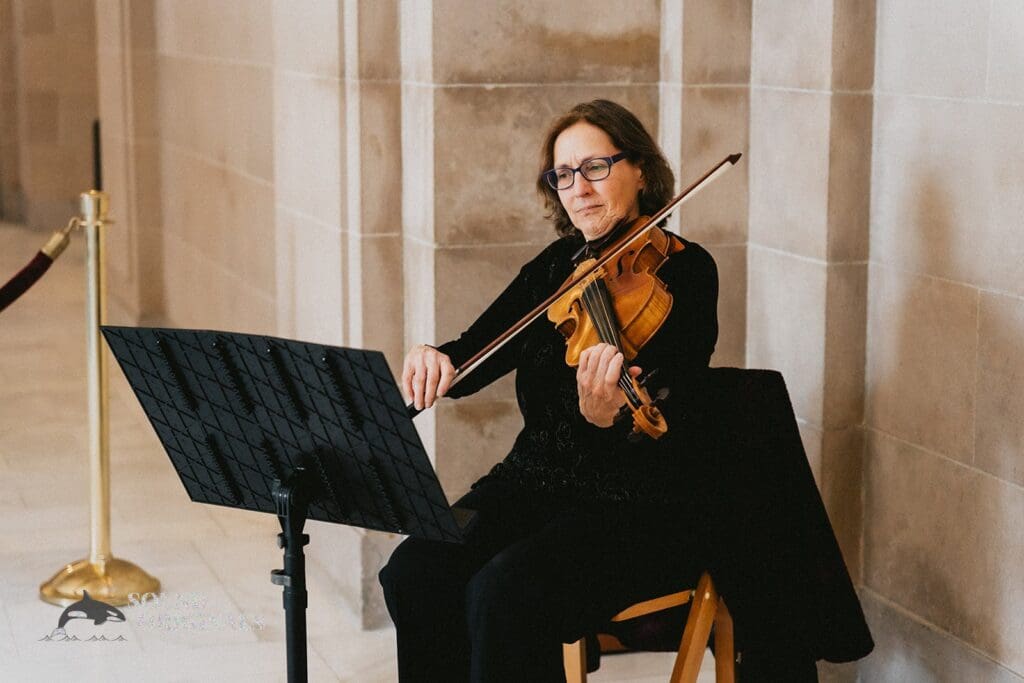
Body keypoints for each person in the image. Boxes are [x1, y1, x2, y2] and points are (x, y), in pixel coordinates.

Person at [377, 100, 816, 682]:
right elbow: (473, 353)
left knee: (503, 591)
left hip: (637, 505)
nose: (578, 189)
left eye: (595, 168)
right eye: (562, 174)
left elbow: (671, 401)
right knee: (414, 570)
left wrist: (607, 416)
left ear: (641, 170)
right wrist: (435, 358)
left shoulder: (687, 272)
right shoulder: (556, 268)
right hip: (532, 484)